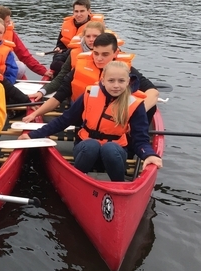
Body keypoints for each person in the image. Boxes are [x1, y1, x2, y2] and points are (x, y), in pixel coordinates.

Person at [19, 61, 162, 181]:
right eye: (111, 81)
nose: (116, 85)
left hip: (115, 151)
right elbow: (64, 120)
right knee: (91, 145)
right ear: (103, 80)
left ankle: (119, 184)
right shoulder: (89, 94)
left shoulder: (134, 104)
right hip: (85, 148)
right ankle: (77, 180)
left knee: (110, 148)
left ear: (128, 82)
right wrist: (32, 135)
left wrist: (149, 154)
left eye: (121, 81)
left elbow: (141, 139)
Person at [23, 33, 159, 123]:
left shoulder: (125, 70)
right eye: (96, 53)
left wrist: (134, 114)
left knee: (150, 107)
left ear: (115, 53)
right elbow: (59, 96)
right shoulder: (80, 67)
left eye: (105, 54)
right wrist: (35, 114)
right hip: (85, 116)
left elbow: (153, 92)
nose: (99, 59)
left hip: (114, 120)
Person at [29, 21, 106, 102]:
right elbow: (61, 77)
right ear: (83, 37)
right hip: (77, 100)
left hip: (101, 101)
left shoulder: (111, 57)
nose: (91, 40)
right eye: (88, 36)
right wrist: (42, 91)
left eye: (95, 36)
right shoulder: (74, 53)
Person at [0, 5, 52, 78]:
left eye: (0, 32)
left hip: (2, 74)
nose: (10, 23)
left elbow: (24, 55)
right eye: (7, 21)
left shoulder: (11, 34)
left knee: (20, 67)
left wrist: (43, 71)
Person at [51, 0, 104, 75]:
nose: (78, 14)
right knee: (55, 63)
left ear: (89, 11)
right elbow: (60, 45)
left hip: (87, 58)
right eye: (76, 11)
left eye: (82, 11)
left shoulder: (96, 28)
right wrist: (58, 49)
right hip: (68, 55)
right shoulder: (66, 25)